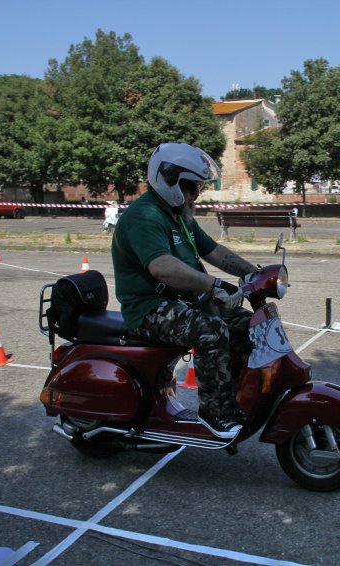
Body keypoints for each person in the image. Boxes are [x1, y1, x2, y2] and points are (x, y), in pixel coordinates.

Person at [111, 142, 259, 439]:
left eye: (198, 188)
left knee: (247, 324)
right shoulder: (144, 216)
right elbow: (161, 267)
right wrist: (213, 284)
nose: (196, 195)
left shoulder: (177, 215)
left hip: (180, 301)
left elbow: (213, 251)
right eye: (192, 187)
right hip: (148, 308)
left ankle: (235, 401)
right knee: (211, 330)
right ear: (170, 180)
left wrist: (253, 272)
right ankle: (215, 413)